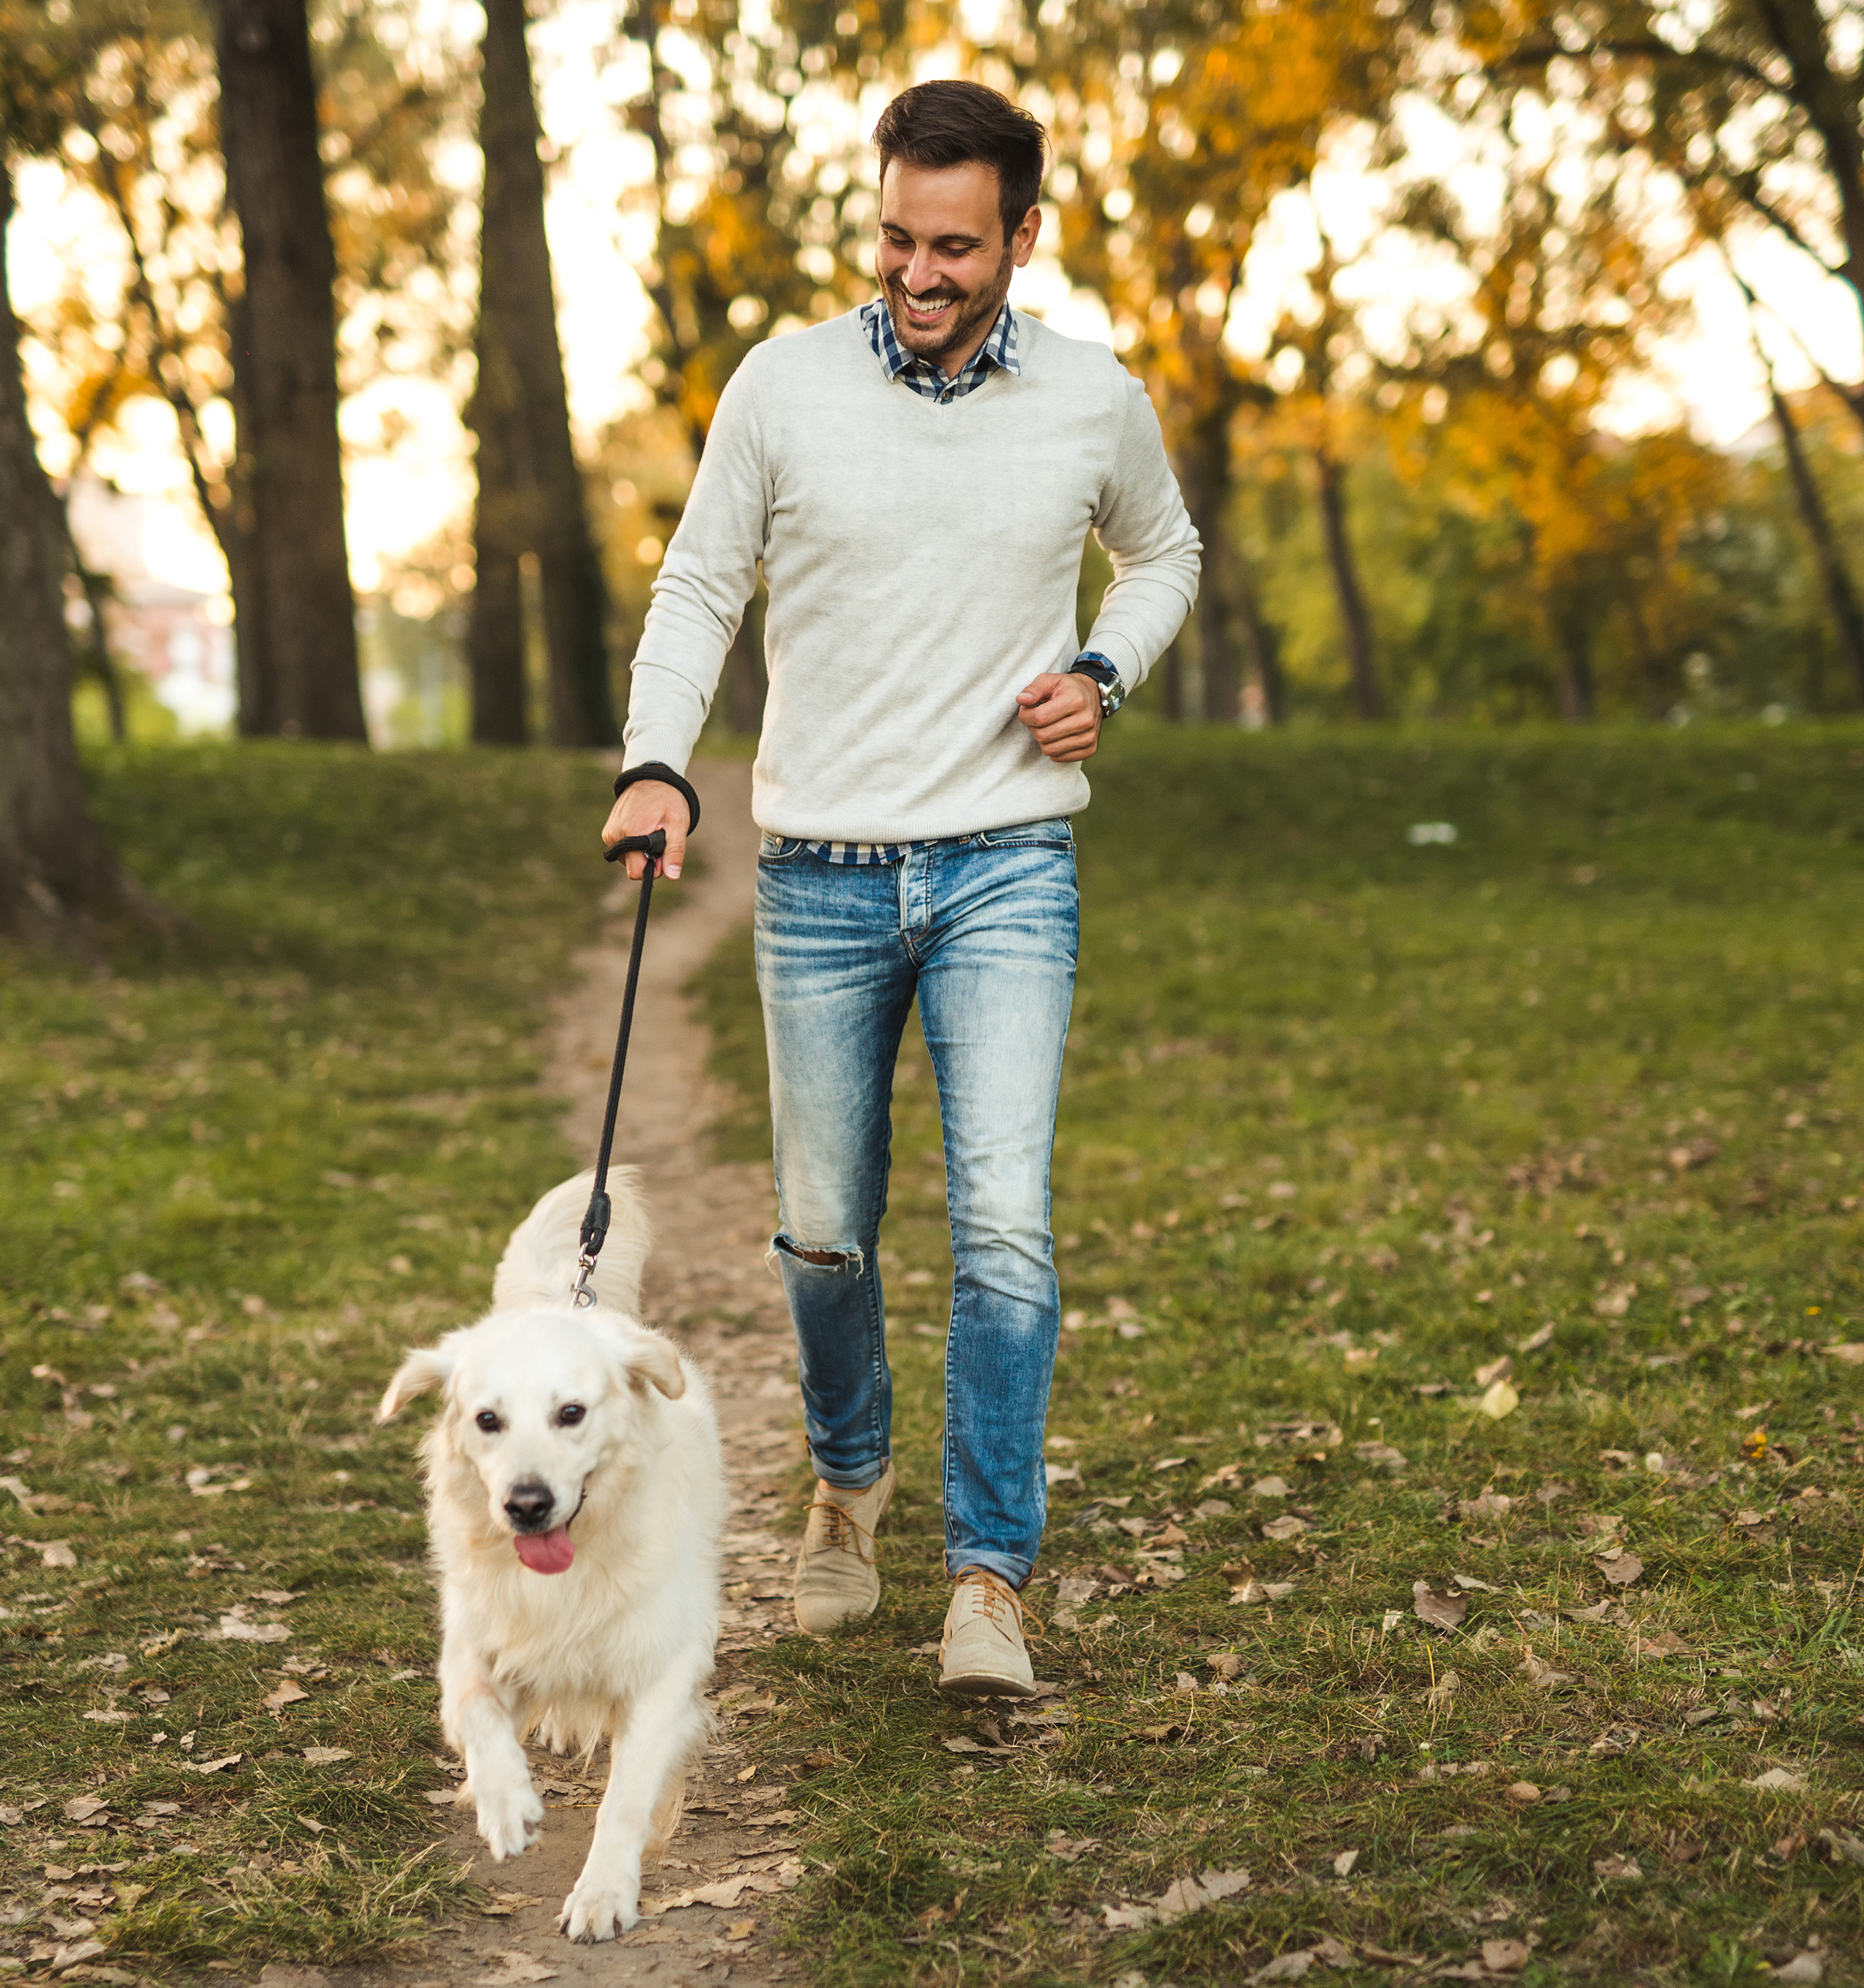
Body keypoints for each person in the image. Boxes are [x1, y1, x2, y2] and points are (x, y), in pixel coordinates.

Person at [599, 77, 1202, 1697]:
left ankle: (989, 1576)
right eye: (893, 238)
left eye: (954, 244)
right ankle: (848, 1484)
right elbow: (699, 583)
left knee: (1007, 1225)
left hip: (1010, 858)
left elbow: (1168, 554)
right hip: (820, 874)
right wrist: (658, 761)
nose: (918, 273)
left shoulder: (1092, 396)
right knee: (821, 1237)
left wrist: (1106, 666)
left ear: (1021, 235)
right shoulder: (783, 388)